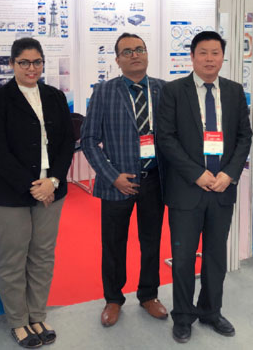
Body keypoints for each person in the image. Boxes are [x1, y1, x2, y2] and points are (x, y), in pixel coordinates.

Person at [157, 31, 252, 343]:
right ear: (192, 56)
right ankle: (183, 316)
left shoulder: (235, 91)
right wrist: (197, 174)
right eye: (203, 53)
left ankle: (211, 310)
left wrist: (230, 173)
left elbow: (244, 136)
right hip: (187, 189)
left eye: (215, 53)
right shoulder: (173, 91)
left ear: (223, 57)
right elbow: (166, 138)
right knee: (183, 258)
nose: (210, 59)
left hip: (222, 188)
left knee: (215, 256)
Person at [0, 37, 75, 348]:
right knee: (13, 259)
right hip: (8, 194)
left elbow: (66, 143)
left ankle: (37, 315)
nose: (31, 68)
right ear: (12, 64)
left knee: (43, 256)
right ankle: (18, 321)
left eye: (37, 62)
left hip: (51, 190)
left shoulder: (55, 97)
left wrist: (54, 181)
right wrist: (33, 186)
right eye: (24, 62)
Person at [81, 33, 168, 327]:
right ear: (117, 60)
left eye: (140, 49)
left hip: (154, 180)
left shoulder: (163, 90)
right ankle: (113, 299)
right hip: (118, 181)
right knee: (113, 244)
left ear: (147, 54)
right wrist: (112, 176)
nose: (135, 55)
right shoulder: (104, 92)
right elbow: (89, 140)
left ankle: (149, 294)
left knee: (151, 241)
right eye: (127, 51)